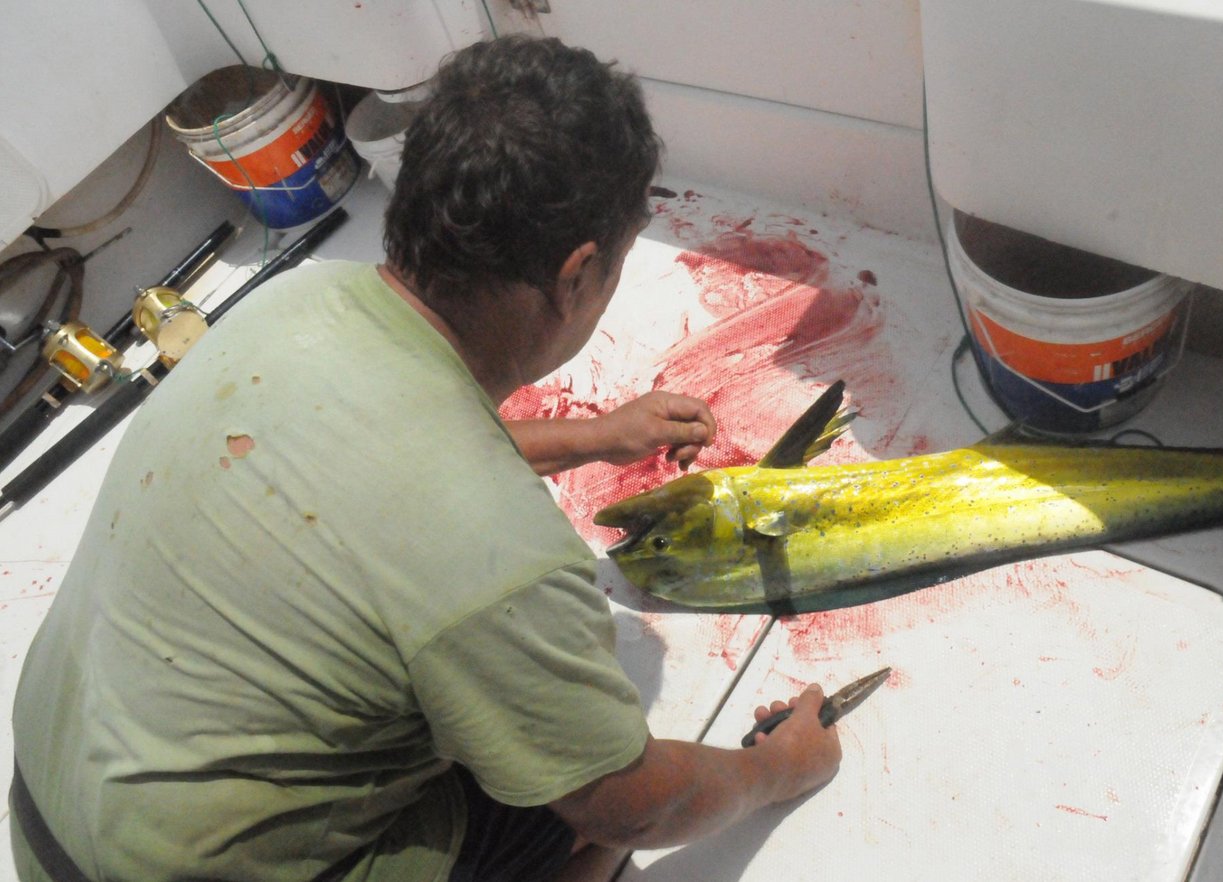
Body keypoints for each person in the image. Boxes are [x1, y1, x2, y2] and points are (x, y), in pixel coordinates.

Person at [9, 34, 842, 882]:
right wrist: (780, 768)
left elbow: (379, 464)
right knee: (559, 815)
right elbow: (634, 805)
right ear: (578, 274)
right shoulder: (503, 561)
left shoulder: (288, 303)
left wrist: (600, 436)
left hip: (47, 806)